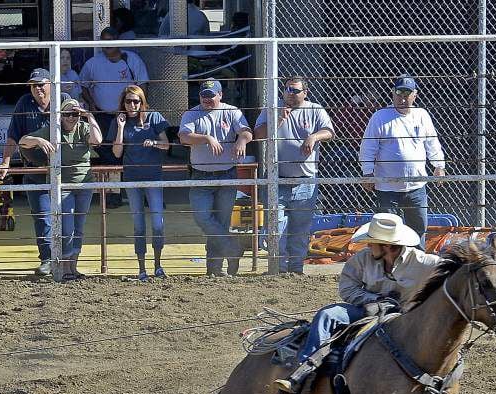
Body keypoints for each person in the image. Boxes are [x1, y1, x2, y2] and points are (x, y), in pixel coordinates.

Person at [274, 213, 440, 394]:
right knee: (328, 314)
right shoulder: (362, 259)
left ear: (385, 245)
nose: (368, 247)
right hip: (367, 311)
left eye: (372, 243)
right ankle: (304, 370)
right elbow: (347, 287)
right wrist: (374, 299)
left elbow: (454, 273)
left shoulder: (425, 263)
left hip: (403, 319)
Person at [0, 68, 71, 276]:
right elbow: (13, 135)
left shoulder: (63, 99)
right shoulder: (24, 103)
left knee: (68, 215)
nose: (37, 89)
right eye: (33, 85)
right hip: (35, 169)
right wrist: (5, 162)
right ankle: (47, 258)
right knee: (42, 216)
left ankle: (68, 259)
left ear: (50, 84)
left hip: (64, 170)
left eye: (41, 84)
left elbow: (75, 124)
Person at [253, 76, 335, 274]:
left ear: (305, 93)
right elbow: (258, 134)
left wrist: (314, 136)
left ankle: (296, 270)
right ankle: (278, 270)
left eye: (295, 90)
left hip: (305, 181)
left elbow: (329, 132)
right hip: (277, 179)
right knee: (276, 228)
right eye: (288, 89)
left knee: (300, 229)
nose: (290, 93)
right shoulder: (272, 108)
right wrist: (278, 119)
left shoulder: (315, 109)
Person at [19, 98, 102, 282]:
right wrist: (39, 140)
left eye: (75, 114)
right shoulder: (53, 130)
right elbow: (23, 142)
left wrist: (89, 116)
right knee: (67, 228)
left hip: (84, 185)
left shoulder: (83, 127)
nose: (71, 118)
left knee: (78, 228)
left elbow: (97, 140)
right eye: (67, 114)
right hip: (62, 187)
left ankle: (73, 267)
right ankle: (64, 268)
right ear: (61, 115)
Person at [360, 75, 445, 247]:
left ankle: (416, 264)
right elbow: (368, 147)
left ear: (415, 95)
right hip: (387, 187)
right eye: (399, 93)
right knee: (387, 233)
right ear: (393, 93)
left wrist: (439, 165)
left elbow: (432, 142)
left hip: (416, 186)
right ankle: (389, 267)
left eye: (407, 93)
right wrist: (367, 173)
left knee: (419, 229)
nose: (403, 98)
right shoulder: (380, 116)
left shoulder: (422, 115)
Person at [178, 78, 253, 276]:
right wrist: (206, 138)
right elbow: (184, 137)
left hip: (227, 173)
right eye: (204, 96)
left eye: (211, 96)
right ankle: (232, 248)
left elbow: (246, 131)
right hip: (201, 175)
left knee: (220, 222)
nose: (207, 99)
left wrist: (241, 141)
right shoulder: (192, 114)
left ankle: (214, 270)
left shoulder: (231, 111)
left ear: (220, 95)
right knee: (202, 217)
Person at [78, 26, 149, 208]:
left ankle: (142, 195)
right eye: (104, 41)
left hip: (128, 115)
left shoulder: (131, 59)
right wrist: (91, 104)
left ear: (118, 40)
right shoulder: (93, 63)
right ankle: (112, 196)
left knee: (132, 153)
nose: (107, 45)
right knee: (108, 156)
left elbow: (142, 85)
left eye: (111, 40)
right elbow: (83, 85)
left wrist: (140, 110)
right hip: (103, 117)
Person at [109, 85, 170, 280]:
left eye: (136, 101)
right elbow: (117, 153)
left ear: (142, 102)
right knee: (138, 224)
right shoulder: (120, 121)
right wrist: (119, 127)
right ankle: (142, 268)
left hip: (154, 176)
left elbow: (166, 145)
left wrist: (154, 143)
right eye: (128, 101)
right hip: (132, 178)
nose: (132, 104)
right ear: (123, 103)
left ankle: (158, 266)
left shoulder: (154, 117)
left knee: (158, 223)